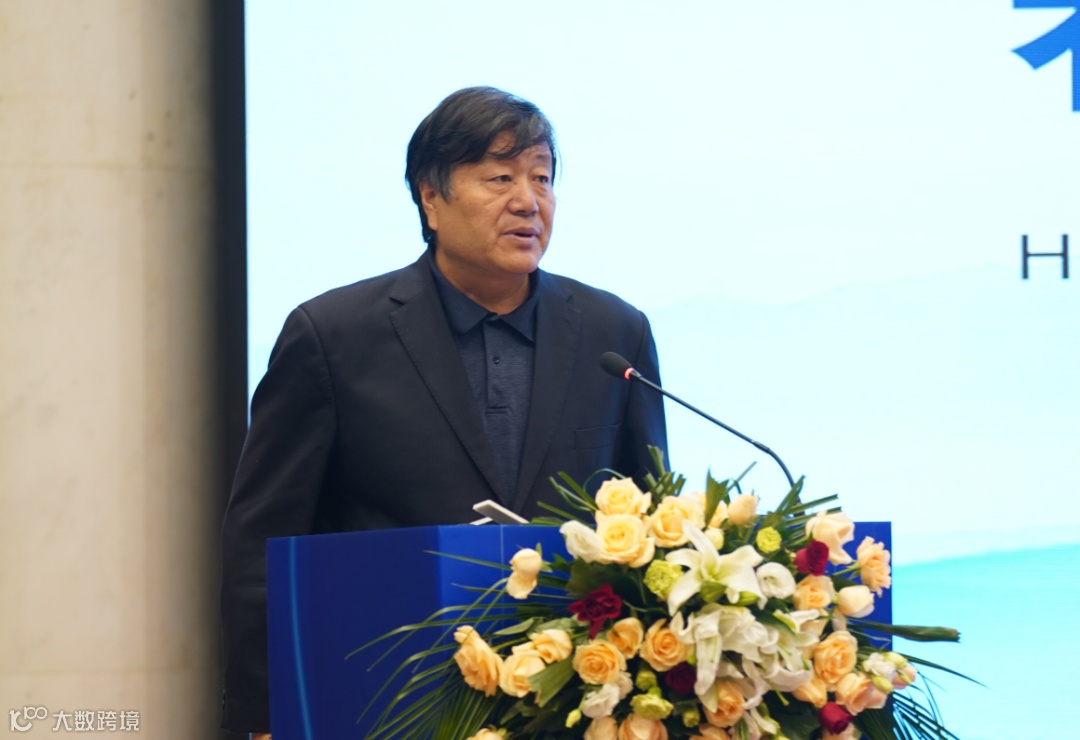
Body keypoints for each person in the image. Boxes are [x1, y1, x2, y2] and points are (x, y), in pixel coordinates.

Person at [219, 86, 667, 736]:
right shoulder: (334, 337)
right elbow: (260, 547)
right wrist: (267, 717)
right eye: (500, 178)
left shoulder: (613, 334)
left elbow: (650, 525)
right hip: (383, 699)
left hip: (570, 705)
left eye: (542, 177)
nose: (528, 200)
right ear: (431, 197)